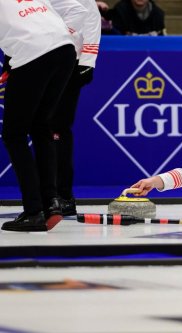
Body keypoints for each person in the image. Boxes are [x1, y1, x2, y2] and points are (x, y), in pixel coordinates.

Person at [0, 0, 87, 232]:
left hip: (32, 53)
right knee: (41, 126)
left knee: (13, 133)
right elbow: (80, 9)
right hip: (65, 50)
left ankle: (33, 210)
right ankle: (52, 203)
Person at [51, 0, 102, 216]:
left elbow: (92, 19)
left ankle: (63, 196)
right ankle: (48, 194)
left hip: (72, 63)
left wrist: (88, 62)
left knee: (59, 128)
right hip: (39, 61)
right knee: (43, 129)